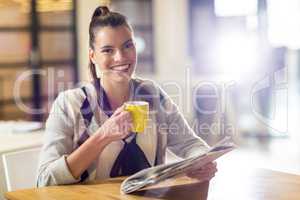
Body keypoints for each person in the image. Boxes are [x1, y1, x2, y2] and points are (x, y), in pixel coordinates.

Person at [37, 6, 217, 187]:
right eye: (108, 50)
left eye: (127, 46)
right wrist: (103, 136)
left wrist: (201, 162)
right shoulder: (69, 104)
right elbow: (45, 180)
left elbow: (190, 144)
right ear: (92, 56)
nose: (120, 57)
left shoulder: (152, 95)